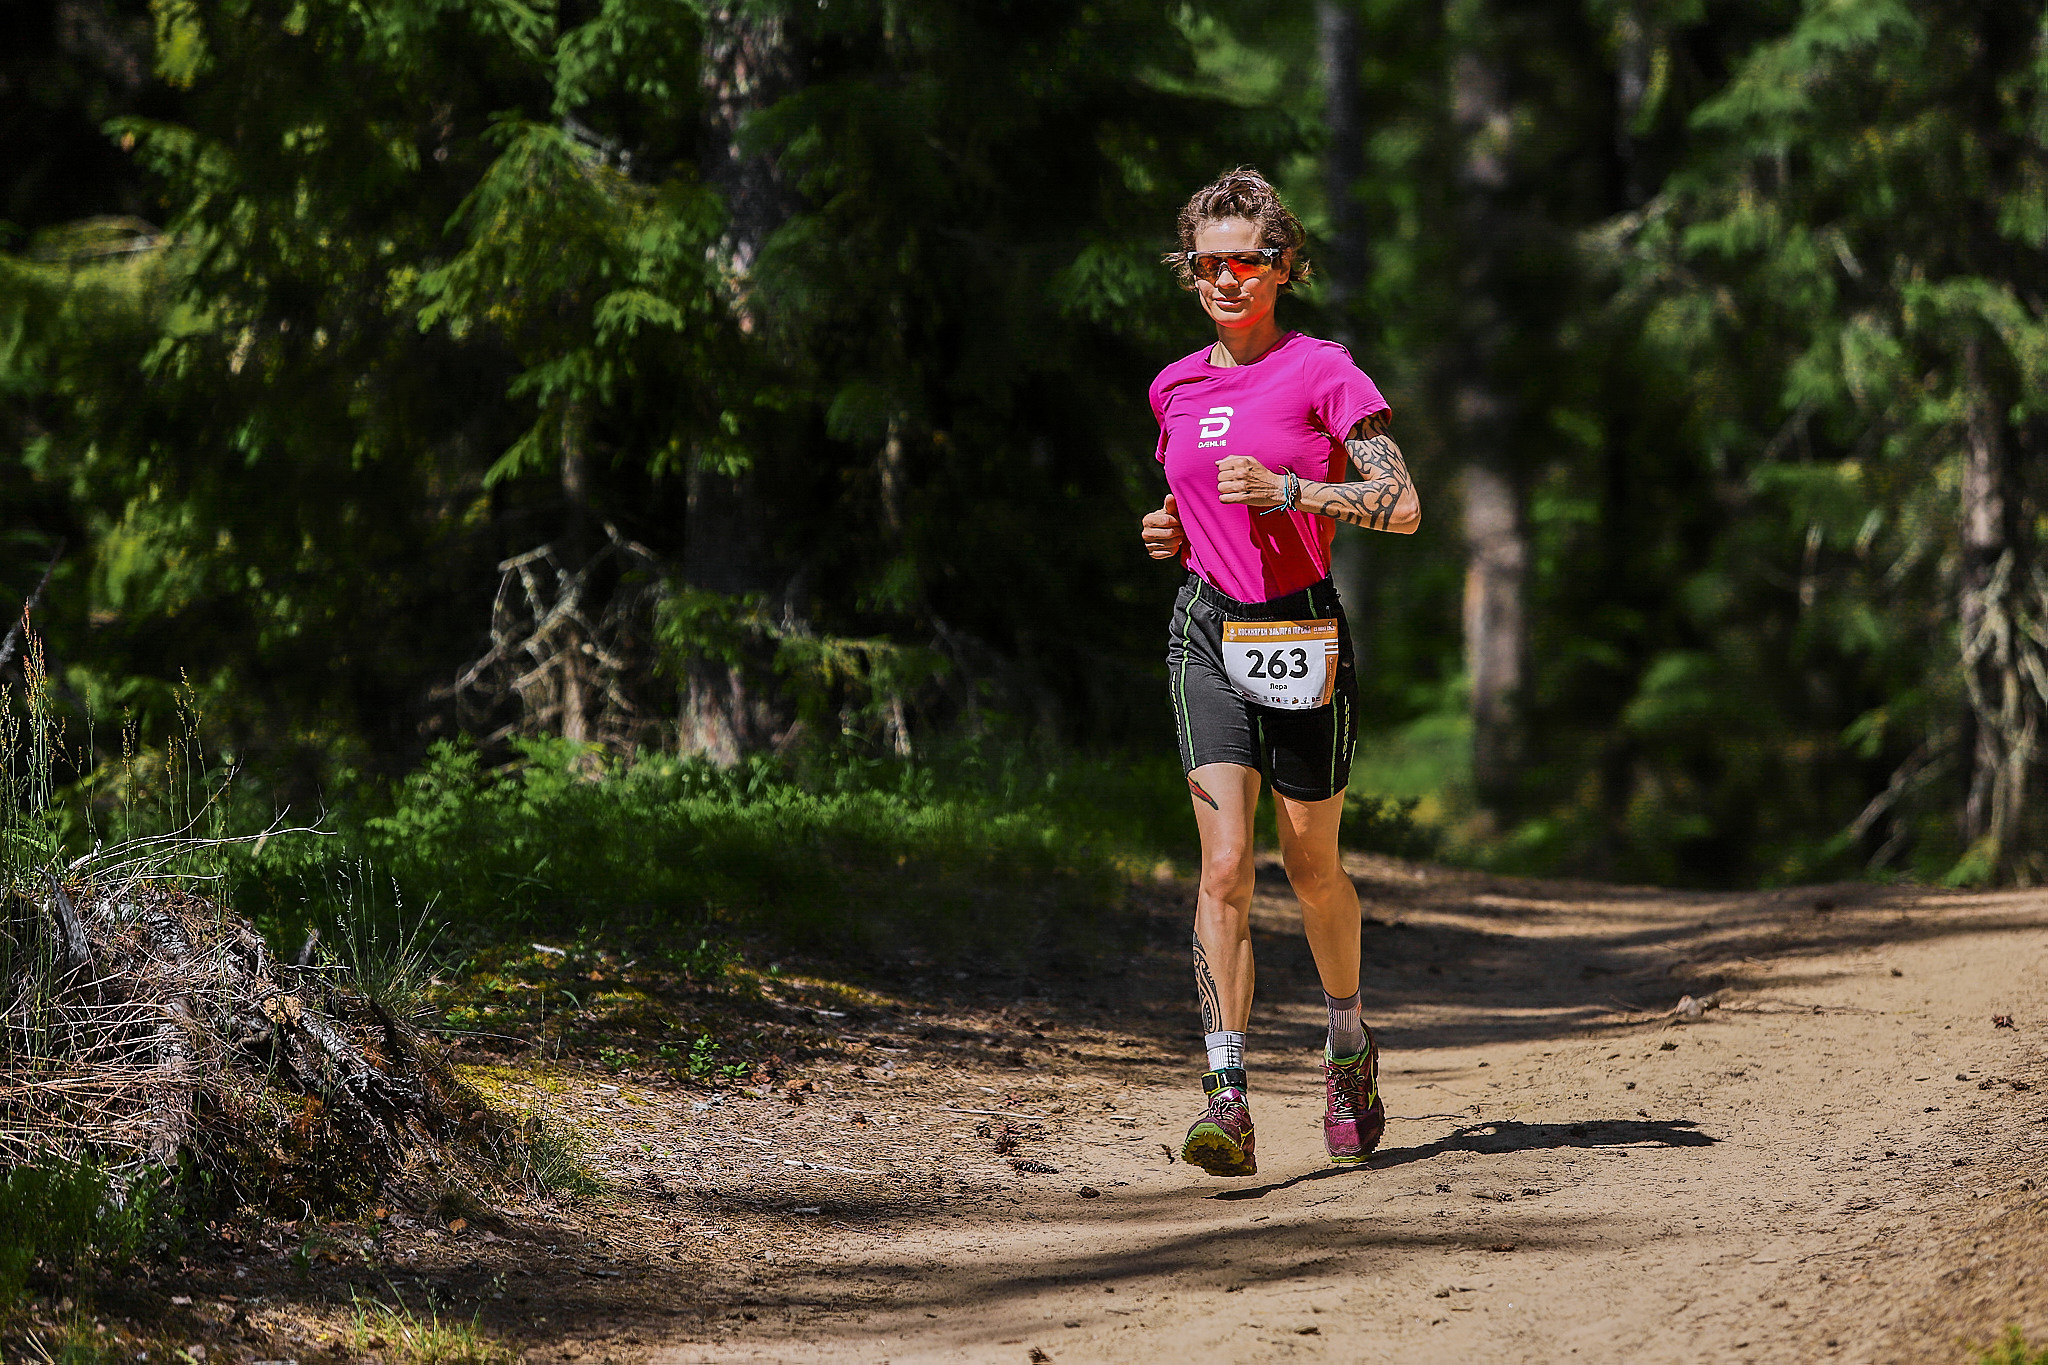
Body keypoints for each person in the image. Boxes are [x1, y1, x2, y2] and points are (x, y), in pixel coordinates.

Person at [1138, 168, 1419, 1177]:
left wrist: (1298, 487)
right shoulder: (1173, 384)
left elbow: (1402, 506)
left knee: (1309, 868)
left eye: (1243, 261)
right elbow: (1193, 494)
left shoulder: (1323, 370)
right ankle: (1226, 1096)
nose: (1223, 278)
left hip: (1299, 634)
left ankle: (1347, 1046)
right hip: (1206, 632)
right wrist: (1171, 530)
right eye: (1205, 262)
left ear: (1281, 268)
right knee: (1221, 868)